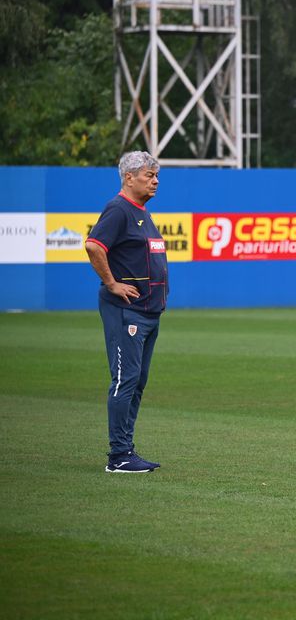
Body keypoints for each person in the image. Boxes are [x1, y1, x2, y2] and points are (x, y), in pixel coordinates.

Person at [84, 152, 169, 474]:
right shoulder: (119, 209)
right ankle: (118, 456)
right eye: (149, 175)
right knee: (125, 380)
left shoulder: (141, 212)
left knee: (137, 381)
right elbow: (94, 246)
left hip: (148, 311)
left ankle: (126, 449)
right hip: (127, 311)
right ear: (129, 177)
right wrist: (112, 283)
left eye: (156, 175)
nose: (156, 180)